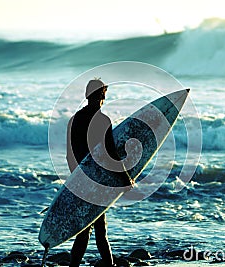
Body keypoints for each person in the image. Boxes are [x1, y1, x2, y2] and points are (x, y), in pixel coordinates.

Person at [66, 79, 133, 267]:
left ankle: (76, 265)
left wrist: (77, 179)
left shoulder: (75, 119)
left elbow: (69, 155)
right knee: (98, 229)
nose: (100, 100)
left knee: (87, 228)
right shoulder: (103, 121)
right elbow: (111, 154)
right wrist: (126, 180)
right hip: (96, 182)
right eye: (100, 96)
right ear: (94, 96)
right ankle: (106, 265)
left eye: (101, 97)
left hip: (82, 180)